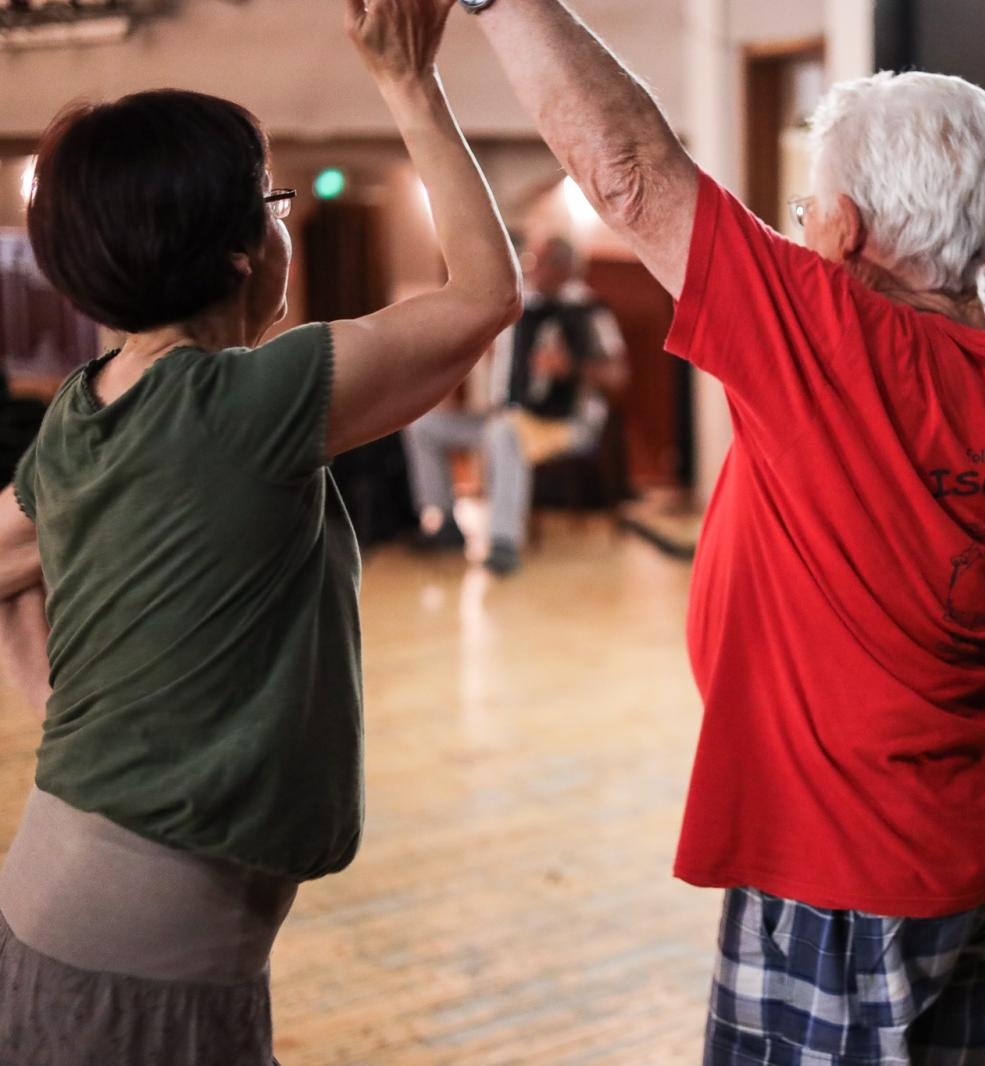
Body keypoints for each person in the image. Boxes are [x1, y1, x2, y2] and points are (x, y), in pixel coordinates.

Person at [465, 3, 985, 1058]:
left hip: (845, 876)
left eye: (807, 206)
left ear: (850, 232)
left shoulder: (828, 336)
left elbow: (628, 167)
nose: (800, 226)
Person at [0, 0, 518, 1060]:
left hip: (61, 901)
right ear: (242, 251)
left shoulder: (84, 406)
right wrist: (409, 82)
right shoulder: (255, 401)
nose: (284, 223)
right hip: (146, 948)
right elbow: (479, 296)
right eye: (272, 203)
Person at [403, 233, 628, 575]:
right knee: (424, 425)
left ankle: (504, 542)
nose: (533, 269)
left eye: (543, 262)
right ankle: (445, 521)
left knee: (503, 434)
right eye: (532, 261)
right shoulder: (520, 307)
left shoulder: (589, 311)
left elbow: (618, 375)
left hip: (566, 423)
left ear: (566, 268)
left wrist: (572, 367)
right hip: (505, 415)